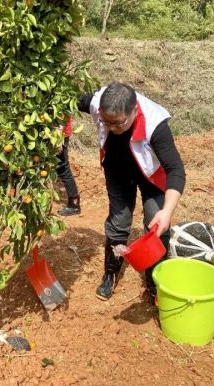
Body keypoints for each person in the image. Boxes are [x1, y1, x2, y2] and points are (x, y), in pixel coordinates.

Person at [78, 81, 186, 301]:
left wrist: (166, 212)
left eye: (117, 124)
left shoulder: (156, 125)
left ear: (134, 110)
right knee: (118, 222)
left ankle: (155, 279)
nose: (111, 128)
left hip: (151, 176)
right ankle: (110, 273)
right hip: (117, 170)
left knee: (155, 224)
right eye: (105, 122)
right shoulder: (99, 105)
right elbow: (69, 98)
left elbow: (176, 169)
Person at [57, 116, 81, 216]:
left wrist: (58, 138)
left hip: (59, 134)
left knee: (62, 168)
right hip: (51, 133)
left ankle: (74, 205)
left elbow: (61, 112)